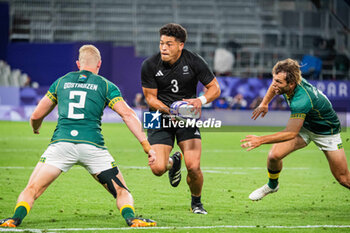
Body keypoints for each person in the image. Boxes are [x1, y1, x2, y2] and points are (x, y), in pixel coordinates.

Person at [0, 45, 157, 228]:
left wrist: (36, 127)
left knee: (32, 189)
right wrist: (146, 145)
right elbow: (128, 115)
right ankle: (131, 218)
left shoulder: (61, 82)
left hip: (61, 145)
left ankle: (14, 219)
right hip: (92, 147)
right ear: (99, 64)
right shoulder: (106, 85)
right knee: (121, 191)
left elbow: (35, 116)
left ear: (78, 64)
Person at [241, 58, 350, 201]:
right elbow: (274, 87)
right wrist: (265, 103)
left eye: (279, 82)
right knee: (274, 156)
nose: (274, 84)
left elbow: (290, 133)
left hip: (326, 132)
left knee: (343, 179)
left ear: (291, 84)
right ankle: (272, 186)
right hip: (306, 125)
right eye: (274, 79)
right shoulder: (289, 81)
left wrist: (260, 140)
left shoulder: (301, 100)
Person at [141, 23, 220, 214]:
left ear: (180, 45)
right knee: (158, 168)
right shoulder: (150, 64)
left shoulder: (194, 61)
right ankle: (172, 163)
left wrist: (200, 100)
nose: (163, 48)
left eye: (169, 44)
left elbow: (215, 88)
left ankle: (197, 203)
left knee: (193, 166)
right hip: (159, 116)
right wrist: (171, 111)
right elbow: (150, 98)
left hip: (187, 117)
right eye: (161, 43)